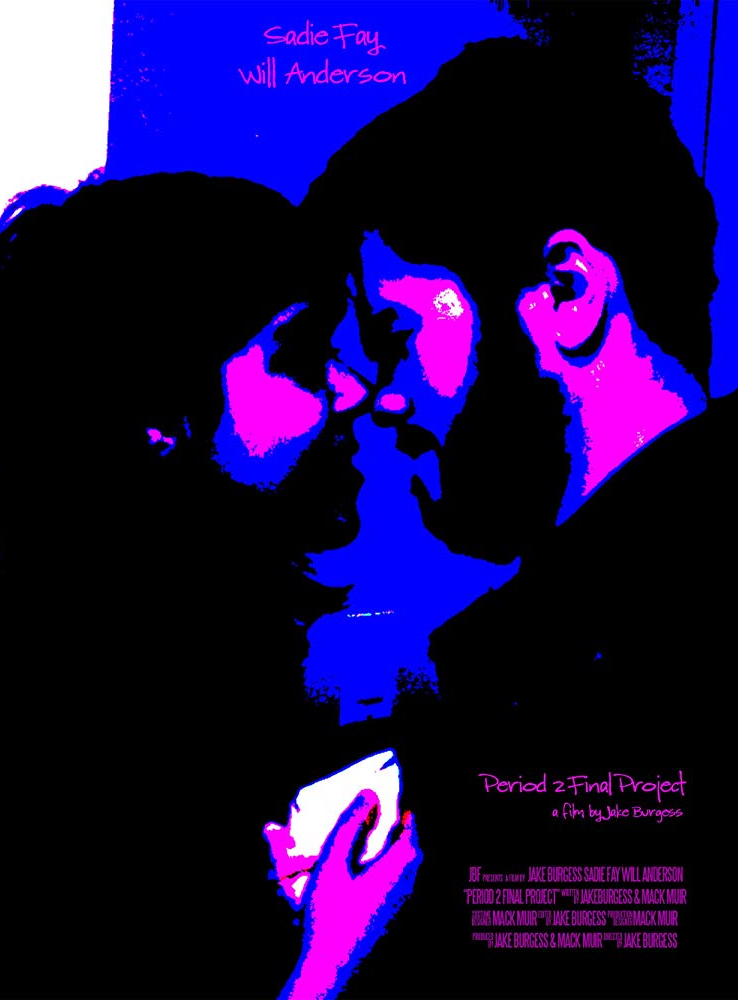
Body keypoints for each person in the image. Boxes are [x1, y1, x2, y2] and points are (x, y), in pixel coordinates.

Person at [235, 34, 734, 999]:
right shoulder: (588, 628)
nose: (365, 395)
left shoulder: (633, 650)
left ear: (566, 291)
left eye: (391, 332)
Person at [0, 171, 421, 1000]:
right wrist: (328, 961)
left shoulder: (193, 636)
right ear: (158, 410)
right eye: (301, 354)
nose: (353, 390)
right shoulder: (69, 682)